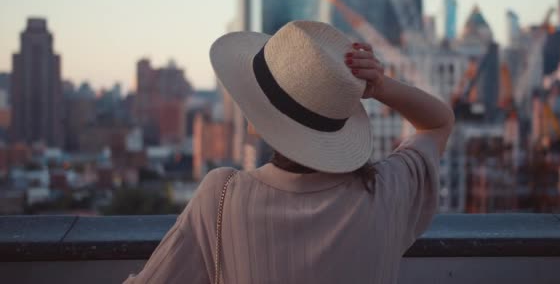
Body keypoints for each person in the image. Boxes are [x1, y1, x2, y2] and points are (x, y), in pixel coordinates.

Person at [124, 21, 454, 284]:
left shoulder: (222, 197)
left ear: (258, 118)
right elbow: (438, 123)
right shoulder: (386, 191)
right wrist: (381, 85)